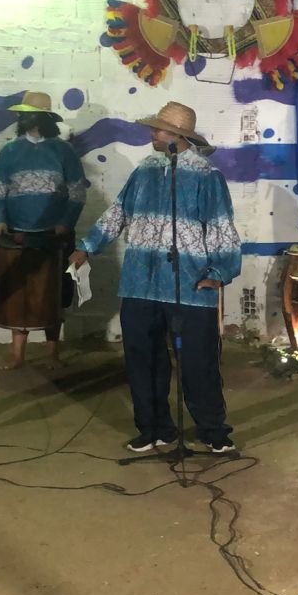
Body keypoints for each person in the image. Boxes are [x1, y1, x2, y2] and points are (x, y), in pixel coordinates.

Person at [68, 102, 241, 454]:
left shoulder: (207, 176)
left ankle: (212, 430)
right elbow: (118, 213)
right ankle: (154, 428)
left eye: (157, 129)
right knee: (142, 358)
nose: (151, 133)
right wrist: (87, 246)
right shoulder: (145, 170)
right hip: (141, 283)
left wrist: (218, 273)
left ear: (177, 136)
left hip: (190, 285)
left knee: (198, 362)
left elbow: (222, 229)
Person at [0, 91, 88, 370]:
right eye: (22, 113)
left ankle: (52, 354)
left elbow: (77, 193)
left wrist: (65, 223)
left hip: (54, 235)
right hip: (17, 234)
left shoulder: (64, 151)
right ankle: (17, 355)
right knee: (18, 292)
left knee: (52, 293)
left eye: (28, 113)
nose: (22, 118)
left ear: (44, 118)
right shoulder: (9, 151)